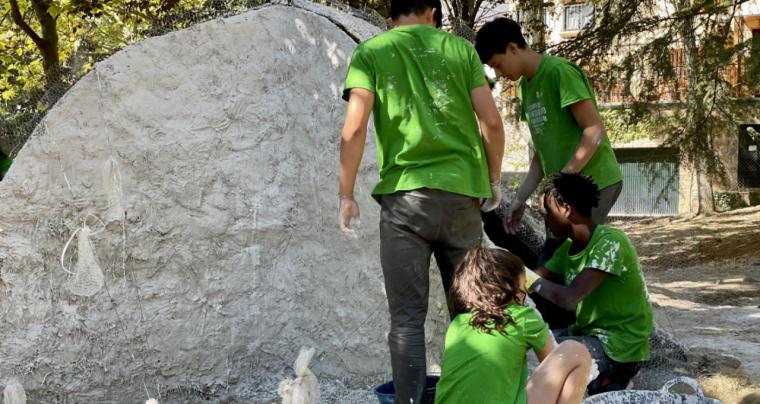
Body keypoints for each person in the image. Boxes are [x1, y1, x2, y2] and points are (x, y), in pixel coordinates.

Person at [338, 0, 506, 402]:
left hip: (404, 203)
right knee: (471, 312)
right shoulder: (461, 50)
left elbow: (355, 126)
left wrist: (345, 193)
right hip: (461, 197)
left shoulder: (372, 52)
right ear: (433, 12)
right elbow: (493, 124)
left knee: (407, 320)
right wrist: (493, 179)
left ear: (391, 19)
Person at [474, 17, 623, 265]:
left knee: (565, 261)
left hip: (595, 184)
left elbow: (594, 130)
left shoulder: (559, 72)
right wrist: (520, 199)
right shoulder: (526, 88)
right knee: (553, 260)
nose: (499, 74)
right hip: (564, 191)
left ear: (513, 48)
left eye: (498, 65)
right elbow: (540, 154)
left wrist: (558, 185)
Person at [525, 173, 653, 395]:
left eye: (547, 210)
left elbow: (568, 297)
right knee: (531, 348)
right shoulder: (567, 249)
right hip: (589, 336)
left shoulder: (610, 242)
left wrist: (525, 278)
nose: (544, 216)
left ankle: (608, 382)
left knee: (545, 363)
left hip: (619, 347)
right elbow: (534, 277)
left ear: (565, 208)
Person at [435, 247, 591, 404]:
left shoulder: (457, 324)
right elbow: (553, 367)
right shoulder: (523, 317)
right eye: (523, 289)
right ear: (514, 289)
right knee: (576, 352)